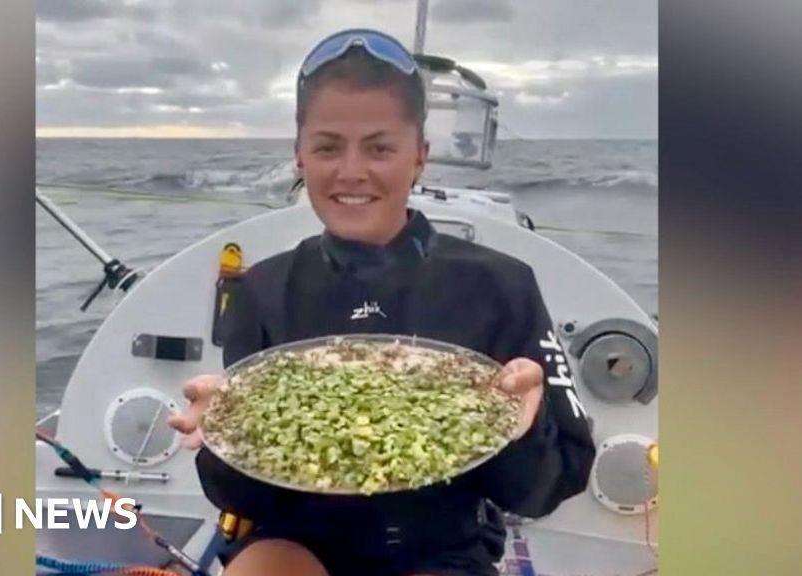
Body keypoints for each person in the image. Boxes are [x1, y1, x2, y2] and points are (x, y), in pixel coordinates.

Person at [168, 29, 595, 576]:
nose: (351, 172)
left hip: (441, 551)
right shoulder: (264, 289)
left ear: (419, 156)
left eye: (380, 147)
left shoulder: (500, 286)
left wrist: (521, 427)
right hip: (297, 545)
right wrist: (224, 440)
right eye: (327, 147)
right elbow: (246, 501)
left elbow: (546, 489)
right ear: (299, 156)